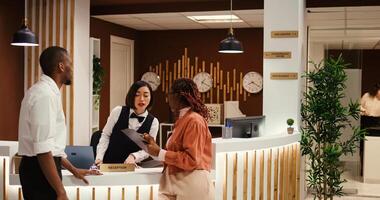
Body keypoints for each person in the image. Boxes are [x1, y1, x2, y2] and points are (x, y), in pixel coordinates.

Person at [18, 46, 101, 200]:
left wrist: (73, 169)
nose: (72, 69)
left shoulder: (45, 92)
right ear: (61, 66)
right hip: (39, 171)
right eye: (70, 63)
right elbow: (43, 150)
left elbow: (51, 148)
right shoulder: (44, 95)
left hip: (42, 168)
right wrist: (60, 191)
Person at [144, 78, 214, 200]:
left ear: (177, 96)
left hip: (191, 184)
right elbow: (176, 155)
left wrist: (160, 153)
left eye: (169, 94)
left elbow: (192, 159)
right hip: (176, 183)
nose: (167, 99)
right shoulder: (183, 120)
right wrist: (155, 150)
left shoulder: (194, 120)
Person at [95, 80, 159, 165]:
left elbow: (148, 149)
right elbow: (105, 135)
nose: (142, 99)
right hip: (109, 165)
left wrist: (134, 156)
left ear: (150, 98)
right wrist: (99, 157)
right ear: (131, 96)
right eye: (137, 95)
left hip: (133, 168)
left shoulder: (154, 122)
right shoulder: (118, 111)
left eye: (146, 95)